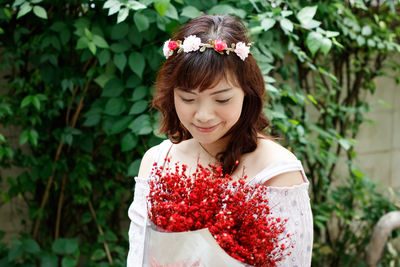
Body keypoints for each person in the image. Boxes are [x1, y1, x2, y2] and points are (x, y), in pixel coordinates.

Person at [127, 14, 313, 267]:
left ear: (247, 93)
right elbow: (138, 257)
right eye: (188, 99)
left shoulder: (277, 172)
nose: (203, 116)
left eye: (222, 99)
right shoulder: (158, 161)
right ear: (171, 96)